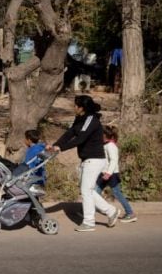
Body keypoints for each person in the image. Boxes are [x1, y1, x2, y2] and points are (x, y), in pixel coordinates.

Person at [47, 95, 119, 232]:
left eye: (75, 106)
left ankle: (89, 222)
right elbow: (70, 133)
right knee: (88, 190)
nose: (74, 108)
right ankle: (111, 211)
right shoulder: (80, 118)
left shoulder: (91, 119)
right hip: (87, 160)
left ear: (82, 108)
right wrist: (56, 145)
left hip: (95, 160)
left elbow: (80, 138)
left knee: (86, 191)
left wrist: (61, 148)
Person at [97, 125, 136, 223]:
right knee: (95, 192)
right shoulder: (105, 144)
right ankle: (90, 209)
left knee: (117, 194)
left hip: (111, 175)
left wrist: (108, 173)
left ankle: (130, 213)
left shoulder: (111, 146)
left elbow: (114, 161)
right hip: (104, 173)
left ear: (105, 135)